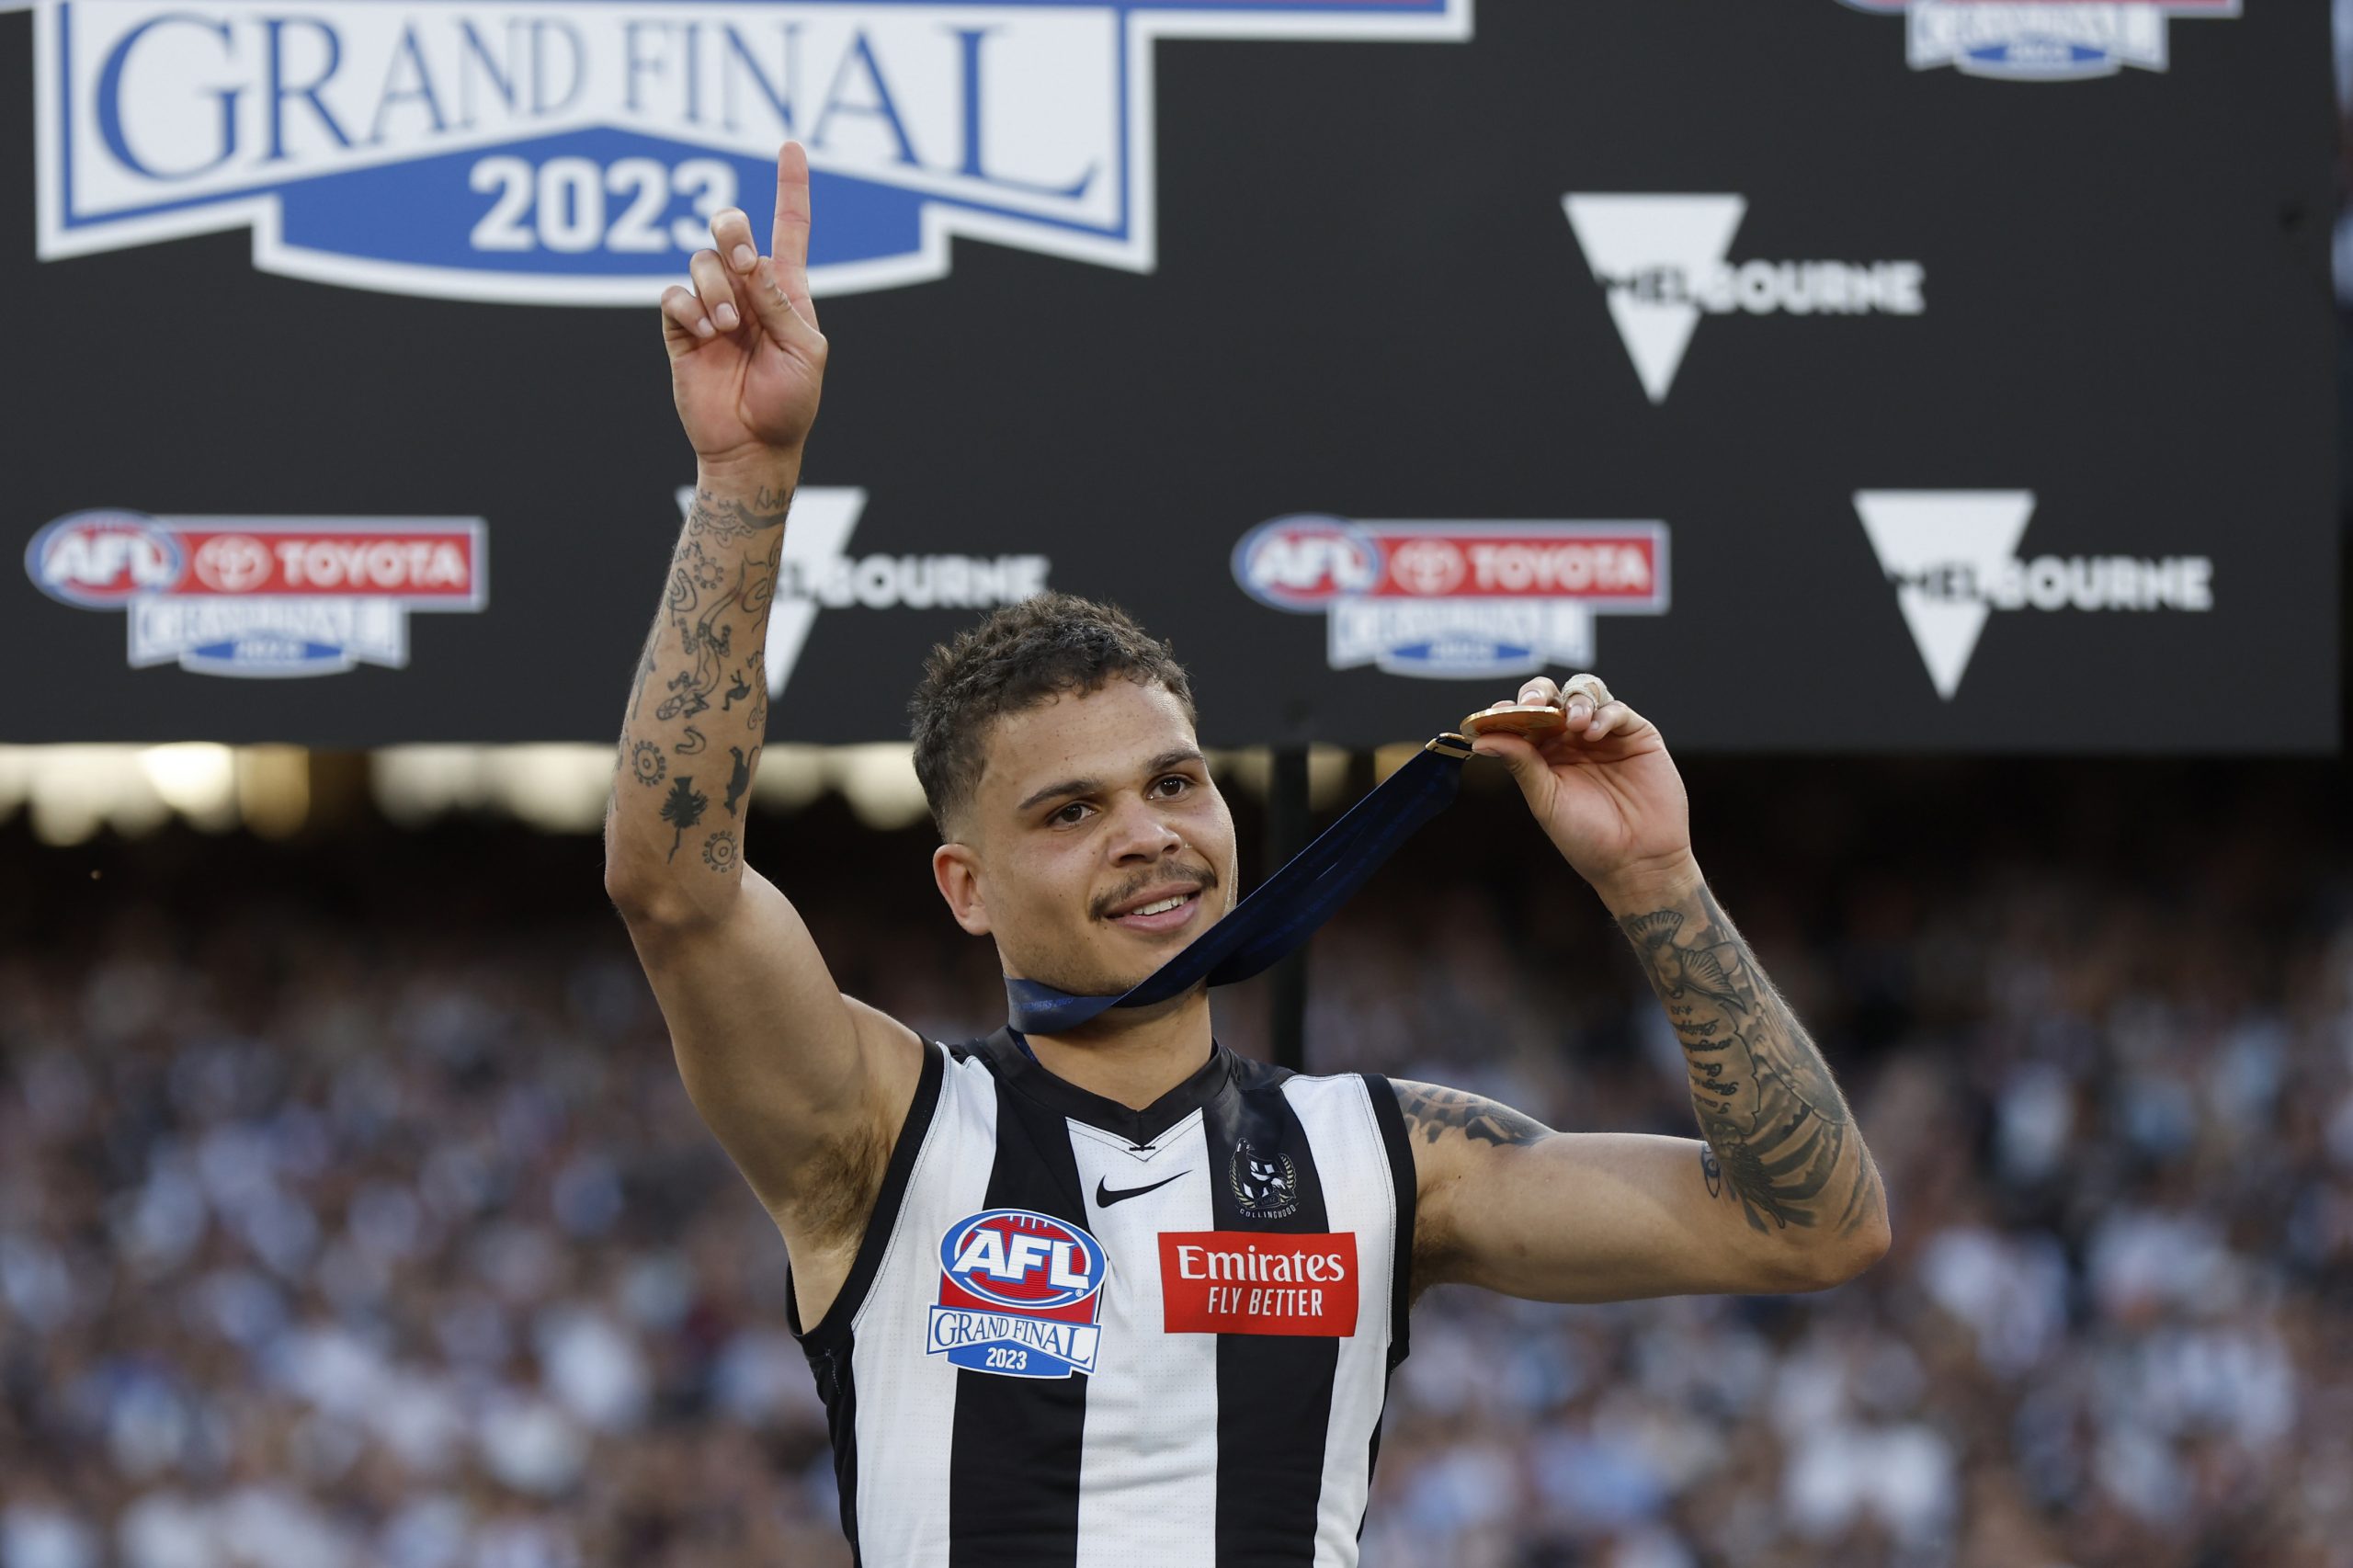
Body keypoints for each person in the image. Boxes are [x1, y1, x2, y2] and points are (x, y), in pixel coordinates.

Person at [603, 143, 1890, 1567]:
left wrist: (1658, 881)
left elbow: (1811, 1228)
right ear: (965, 888)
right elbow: (675, 882)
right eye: (1069, 810)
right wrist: (746, 474)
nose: (1148, 831)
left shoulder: (1394, 1156)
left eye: (1173, 781)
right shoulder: (885, 1133)